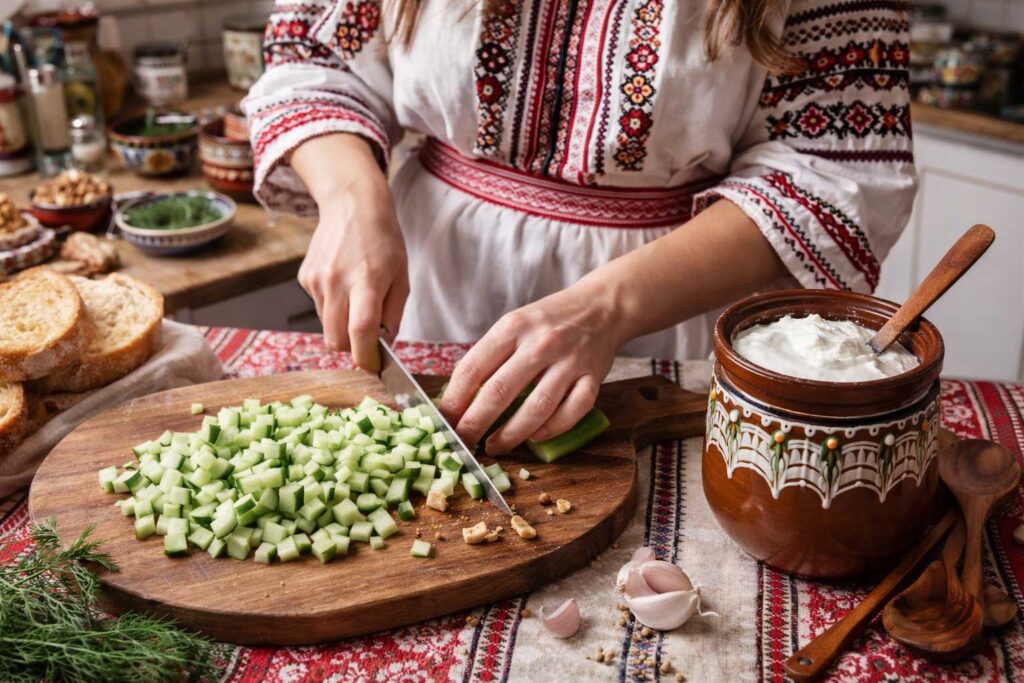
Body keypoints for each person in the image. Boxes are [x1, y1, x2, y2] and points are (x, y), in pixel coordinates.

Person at [244, 0, 915, 454]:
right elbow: (314, 56)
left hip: (668, 310)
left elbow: (834, 173)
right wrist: (352, 199)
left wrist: (606, 309)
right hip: (433, 286)